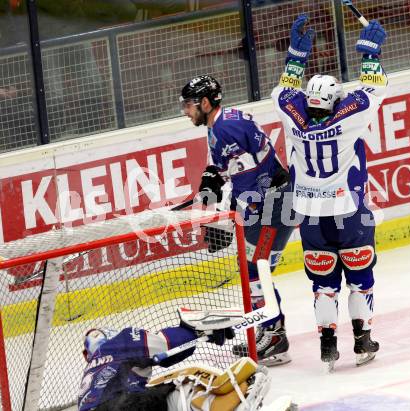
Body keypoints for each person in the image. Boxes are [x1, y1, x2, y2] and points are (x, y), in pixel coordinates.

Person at [271, 14, 388, 368]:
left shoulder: (291, 111)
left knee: (323, 284)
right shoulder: (350, 115)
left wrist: (295, 55)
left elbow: (283, 90)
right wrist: (369, 52)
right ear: (336, 101)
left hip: (309, 215)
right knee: (360, 279)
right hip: (348, 211)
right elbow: (375, 86)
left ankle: (327, 345)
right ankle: (363, 341)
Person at [179, 75, 295, 366]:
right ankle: (270, 330)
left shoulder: (226, 127)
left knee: (256, 271)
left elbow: (249, 184)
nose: (185, 111)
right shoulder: (222, 122)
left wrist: (227, 219)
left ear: (205, 103)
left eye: (189, 105)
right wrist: (213, 177)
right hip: (272, 202)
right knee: (255, 269)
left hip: (272, 206)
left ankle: (275, 336)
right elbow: (233, 167)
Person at [77, 310, 272, 411]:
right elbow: (165, 346)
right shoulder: (117, 343)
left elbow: (164, 358)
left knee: (160, 390)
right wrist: (198, 330)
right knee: (184, 381)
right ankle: (232, 404)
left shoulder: (91, 376)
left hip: (120, 405)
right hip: (123, 407)